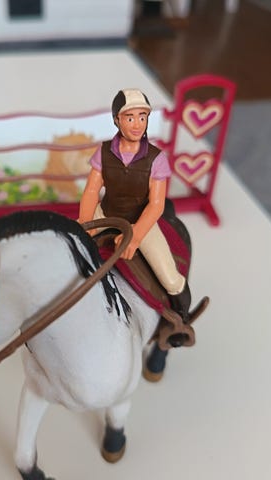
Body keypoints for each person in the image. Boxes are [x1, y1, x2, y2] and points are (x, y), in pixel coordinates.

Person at [78, 88, 191, 321]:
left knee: (170, 280)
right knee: (72, 244)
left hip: (140, 220)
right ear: (117, 120)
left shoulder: (156, 159)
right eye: (130, 118)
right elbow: (91, 190)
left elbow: (157, 205)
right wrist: (85, 221)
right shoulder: (104, 152)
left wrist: (136, 236)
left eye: (142, 117)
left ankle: (181, 322)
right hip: (106, 213)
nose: (137, 124)